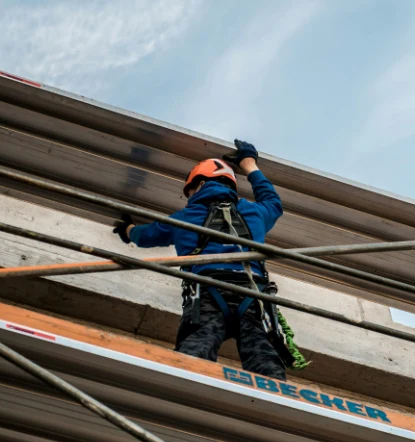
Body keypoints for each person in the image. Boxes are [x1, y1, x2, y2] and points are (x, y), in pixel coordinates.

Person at [112, 139, 292, 381]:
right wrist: (249, 164)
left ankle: (187, 386)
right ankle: (274, 399)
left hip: (207, 291)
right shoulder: (255, 212)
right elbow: (273, 202)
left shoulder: (184, 217)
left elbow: (146, 236)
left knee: (197, 346)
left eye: (190, 191)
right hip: (254, 294)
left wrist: (129, 230)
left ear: (201, 184)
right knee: (264, 356)